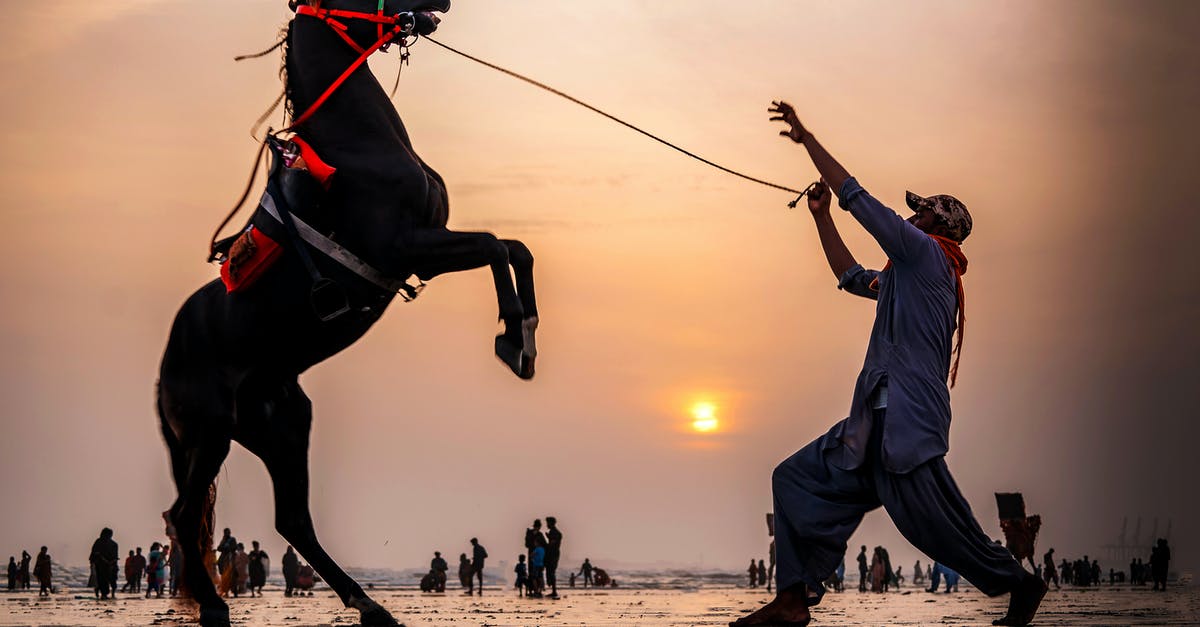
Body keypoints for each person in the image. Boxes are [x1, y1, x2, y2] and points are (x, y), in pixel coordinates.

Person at [731, 102, 1044, 627]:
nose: (910, 216)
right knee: (792, 479)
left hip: (906, 425)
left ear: (936, 227)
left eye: (920, 212)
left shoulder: (926, 256)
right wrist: (821, 216)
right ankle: (792, 600)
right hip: (870, 424)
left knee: (941, 530)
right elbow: (851, 274)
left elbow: (860, 199)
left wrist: (807, 138)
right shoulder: (906, 275)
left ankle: (1021, 584)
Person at [89, 528, 119, 600]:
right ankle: (103, 594)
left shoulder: (113, 544)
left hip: (108, 565)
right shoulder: (100, 542)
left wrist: (110, 562)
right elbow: (95, 554)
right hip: (101, 565)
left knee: (107, 580)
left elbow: (115, 556)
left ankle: (105, 593)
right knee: (102, 580)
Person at [545, 516, 563, 598]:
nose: (547, 525)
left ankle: (554, 591)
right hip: (553, 553)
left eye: (547, 523)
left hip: (553, 554)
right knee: (551, 572)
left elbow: (552, 544)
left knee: (551, 572)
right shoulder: (554, 532)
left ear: (551, 523)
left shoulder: (555, 532)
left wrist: (548, 540)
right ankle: (553, 590)